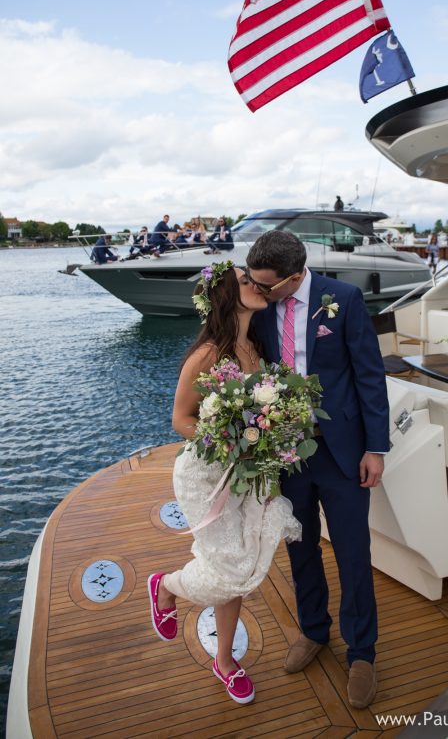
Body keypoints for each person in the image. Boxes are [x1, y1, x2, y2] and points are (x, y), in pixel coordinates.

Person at [246, 231, 389, 709]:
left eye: (266, 285)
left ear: (294, 277)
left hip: (342, 451)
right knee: (300, 547)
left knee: (353, 553)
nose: (259, 291)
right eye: (254, 282)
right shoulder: (262, 307)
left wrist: (375, 448)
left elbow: (369, 374)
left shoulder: (343, 299)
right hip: (288, 454)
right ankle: (313, 630)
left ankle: (362, 652)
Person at [147, 262, 300, 705]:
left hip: (248, 474)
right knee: (231, 567)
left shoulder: (255, 347)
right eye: (245, 281)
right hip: (205, 476)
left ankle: (224, 660)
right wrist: (230, 441)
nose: (256, 285)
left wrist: (269, 441)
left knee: (240, 565)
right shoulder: (208, 354)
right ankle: (167, 586)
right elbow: (180, 420)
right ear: (227, 296)